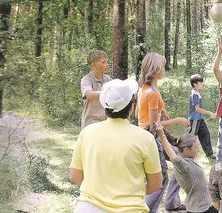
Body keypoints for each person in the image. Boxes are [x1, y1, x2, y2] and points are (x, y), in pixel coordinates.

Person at [69, 78, 163, 212]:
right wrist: (131, 191)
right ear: (131, 108)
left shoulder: (87, 133)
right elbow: (155, 184)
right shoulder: (145, 138)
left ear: (104, 107)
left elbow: (76, 177)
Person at [137, 52, 189, 212]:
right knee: (160, 178)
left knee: (181, 158)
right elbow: (154, 125)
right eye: (163, 66)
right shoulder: (151, 92)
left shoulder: (148, 87)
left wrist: (162, 108)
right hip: (150, 136)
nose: (165, 68)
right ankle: (144, 209)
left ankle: (172, 202)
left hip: (151, 134)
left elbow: (147, 110)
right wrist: (177, 120)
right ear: (155, 68)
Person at [156, 125, 218, 213]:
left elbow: (174, 149)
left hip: (205, 206)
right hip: (199, 209)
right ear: (186, 150)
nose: (198, 150)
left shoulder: (183, 157)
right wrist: (162, 136)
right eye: (196, 147)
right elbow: (173, 157)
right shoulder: (183, 165)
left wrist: (163, 132)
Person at [79, 50, 112, 129]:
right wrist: (108, 92)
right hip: (91, 124)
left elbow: (117, 89)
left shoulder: (108, 79)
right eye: (103, 62)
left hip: (106, 123)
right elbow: (89, 95)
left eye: (107, 62)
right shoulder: (87, 79)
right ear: (93, 66)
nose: (107, 65)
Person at [189, 74, 217, 160]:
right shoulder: (195, 94)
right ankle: (186, 154)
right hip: (195, 119)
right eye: (200, 82)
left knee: (205, 134)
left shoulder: (197, 93)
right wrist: (209, 113)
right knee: (191, 137)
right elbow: (197, 109)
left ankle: (209, 154)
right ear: (195, 84)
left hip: (200, 119)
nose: (202, 84)